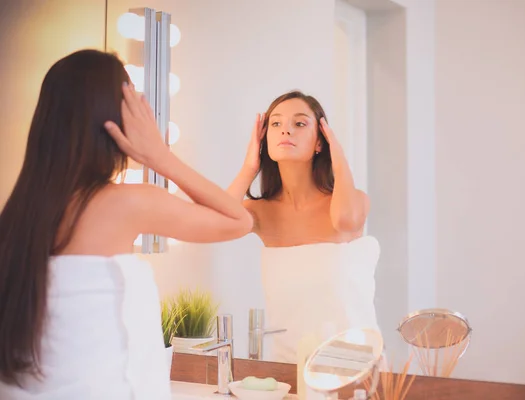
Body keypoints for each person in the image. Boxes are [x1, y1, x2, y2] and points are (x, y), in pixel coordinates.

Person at [0, 49, 252, 399]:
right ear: (118, 119)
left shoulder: (15, 220)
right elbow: (238, 221)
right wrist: (160, 157)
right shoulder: (126, 203)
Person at [228, 91, 381, 362]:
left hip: (356, 370)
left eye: (299, 123)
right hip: (288, 372)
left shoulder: (351, 202)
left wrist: (339, 155)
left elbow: (345, 221)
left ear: (320, 142)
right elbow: (217, 220)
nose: (285, 129)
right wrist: (249, 165)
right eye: (275, 124)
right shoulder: (260, 212)